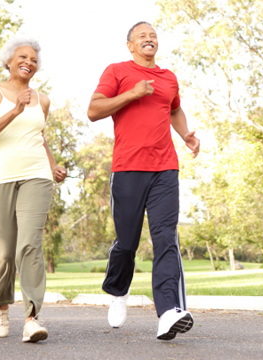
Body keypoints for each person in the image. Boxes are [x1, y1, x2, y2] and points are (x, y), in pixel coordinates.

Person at [87, 21, 200, 340]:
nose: (149, 39)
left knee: (166, 237)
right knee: (127, 242)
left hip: (165, 167)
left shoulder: (168, 78)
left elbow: (174, 110)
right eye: (142, 36)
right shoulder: (117, 72)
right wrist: (132, 94)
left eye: (153, 36)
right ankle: (118, 290)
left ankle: (168, 312)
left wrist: (186, 135)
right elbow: (93, 110)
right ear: (130, 45)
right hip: (127, 168)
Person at [0, 36, 67, 343]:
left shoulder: (42, 100)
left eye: (33, 59)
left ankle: (31, 318)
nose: (29, 62)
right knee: (5, 252)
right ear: (9, 61)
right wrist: (15, 109)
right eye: (23, 57)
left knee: (30, 244)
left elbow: (39, 137)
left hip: (36, 175)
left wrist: (53, 165)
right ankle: (1, 306)